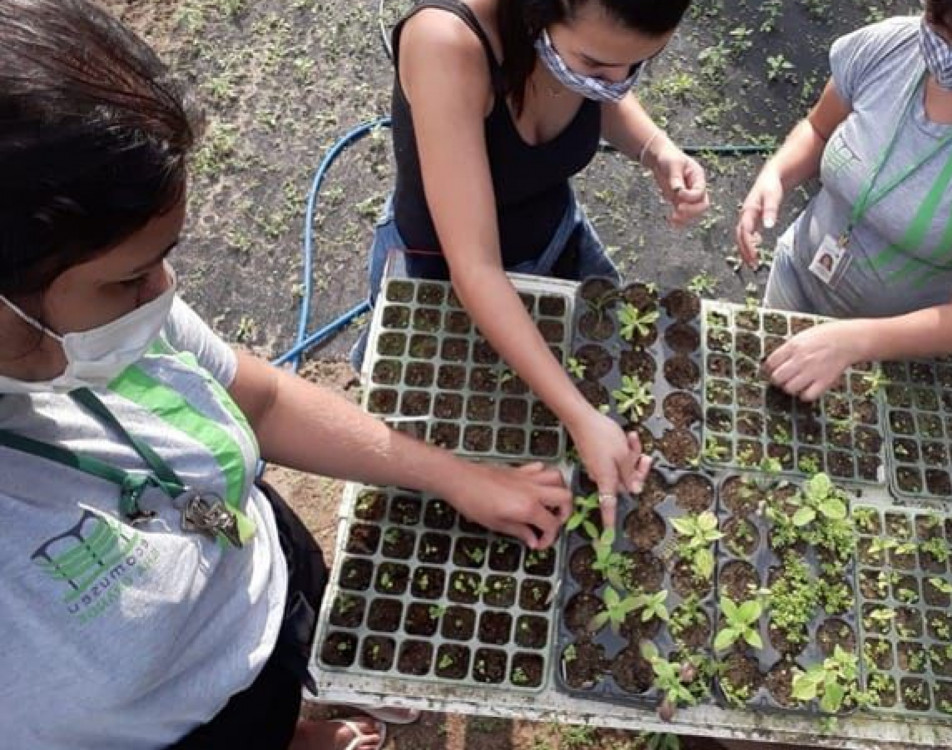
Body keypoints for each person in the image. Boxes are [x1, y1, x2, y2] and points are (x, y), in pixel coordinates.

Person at [0, 1, 571, 748]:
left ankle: (303, 718)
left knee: (289, 656)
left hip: (258, 580)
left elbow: (260, 400)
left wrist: (455, 475)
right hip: (186, 731)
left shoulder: (97, 324)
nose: (163, 293)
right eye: (130, 278)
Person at [360, 0, 708, 526]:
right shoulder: (447, 44)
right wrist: (578, 416)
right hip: (444, 272)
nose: (615, 82)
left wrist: (656, 148)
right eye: (594, 66)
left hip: (555, 236)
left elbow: (604, 97)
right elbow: (474, 268)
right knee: (452, 432)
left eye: (635, 66)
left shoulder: (587, 53)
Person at [736, 0, 952, 400]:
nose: (949, 51)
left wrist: (855, 341)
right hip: (798, 278)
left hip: (899, 355)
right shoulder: (889, 47)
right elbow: (819, 130)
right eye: (938, 25)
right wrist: (776, 175)